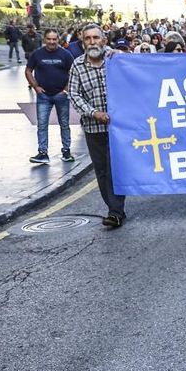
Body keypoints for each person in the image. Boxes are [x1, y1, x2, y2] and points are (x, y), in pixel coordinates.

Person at [68, 24, 126, 228]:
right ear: (82, 42)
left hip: (119, 128)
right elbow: (74, 95)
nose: (92, 42)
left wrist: (121, 55)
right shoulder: (77, 65)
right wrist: (94, 113)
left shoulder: (115, 59)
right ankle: (114, 208)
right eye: (87, 39)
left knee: (116, 170)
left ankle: (115, 212)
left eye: (96, 38)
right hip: (94, 129)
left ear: (104, 40)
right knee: (101, 171)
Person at [25, 29, 77, 165]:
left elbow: (74, 72)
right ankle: (43, 153)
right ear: (44, 40)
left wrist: (65, 90)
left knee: (64, 124)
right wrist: (35, 87)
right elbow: (28, 70)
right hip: (44, 96)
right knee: (42, 125)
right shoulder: (37, 54)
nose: (52, 42)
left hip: (61, 95)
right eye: (49, 39)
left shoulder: (66, 55)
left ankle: (66, 151)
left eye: (54, 39)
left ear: (58, 39)